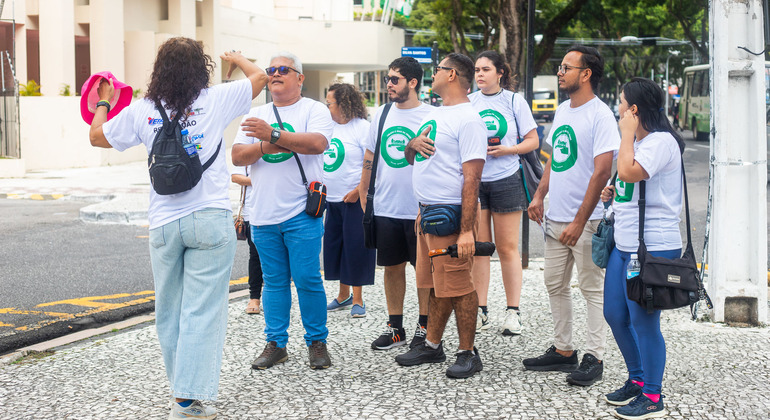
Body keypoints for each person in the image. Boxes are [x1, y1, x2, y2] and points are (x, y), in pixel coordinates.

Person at [88, 38, 268, 419]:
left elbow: (96, 137)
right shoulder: (215, 98)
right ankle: (187, 400)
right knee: (202, 310)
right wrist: (234, 58)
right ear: (199, 69)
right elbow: (261, 76)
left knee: (169, 311)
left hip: (165, 224)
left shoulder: (143, 110)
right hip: (209, 219)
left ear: (160, 70)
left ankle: (182, 394)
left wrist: (103, 101)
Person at [523, 45, 619, 387]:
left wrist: (581, 221)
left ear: (586, 73)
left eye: (566, 67)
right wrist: (538, 195)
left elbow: (602, 171)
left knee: (592, 289)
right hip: (555, 218)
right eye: (560, 67)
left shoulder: (601, 115)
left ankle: (595, 356)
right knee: (554, 284)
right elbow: (552, 158)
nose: (560, 72)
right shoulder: (563, 110)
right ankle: (564, 351)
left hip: (587, 221)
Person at [232, 52, 334, 370]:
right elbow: (237, 156)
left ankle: (317, 342)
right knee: (274, 282)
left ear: (300, 78)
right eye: (271, 70)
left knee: (307, 280)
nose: (275, 74)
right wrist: (265, 145)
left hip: (301, 213)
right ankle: (276, 343)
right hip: (262, 214)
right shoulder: (257, 113)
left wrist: (273, 134)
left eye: (283, 70)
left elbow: (317, 144)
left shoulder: (314, 110)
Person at [395, 53, 487, 379]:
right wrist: (411, 143)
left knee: (459, 284)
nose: (433, 74)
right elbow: (412, 156)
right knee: (438, 283)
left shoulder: (470, 120)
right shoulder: (437, 114)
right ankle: (432, 344)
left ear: (452, 76)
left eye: (438, 70)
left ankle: (468, 352)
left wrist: (466, 231)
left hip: (450, 215)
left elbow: (472, 178)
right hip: (427, 214)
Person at [600, 77, 685, 419]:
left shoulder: (661, 142)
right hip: (625, 244)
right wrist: (612, 197)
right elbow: (626, 183)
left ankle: (653, 396)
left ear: (633, 110)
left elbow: (630, 171)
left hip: (652, 249)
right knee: (615, 314)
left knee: (644, 323)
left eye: (621, 104)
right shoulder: (640, 141)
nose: (617, 111)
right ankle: (637, 379)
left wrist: (625, 135)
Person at [359, 57, 433, 350]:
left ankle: (424, 326)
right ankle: (395, 327)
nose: (388, 84)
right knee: (392, 267)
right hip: (386, 206)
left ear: (412, 83)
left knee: (424, 270)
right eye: (388, 78)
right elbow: (370, 155)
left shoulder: (431, 116)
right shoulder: (382, 113)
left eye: (395, 79)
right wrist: (365, 192)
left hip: (419, 208)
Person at [468, 50, 540, 335]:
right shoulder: (469, 102)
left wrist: (508, 149)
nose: (480, 75)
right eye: (476, 70)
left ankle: (513, 312)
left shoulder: (513, 100)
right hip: (475, 181)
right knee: (480, 248)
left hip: (507, 178)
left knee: (508, 248)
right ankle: (479, 309)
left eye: (486, 69)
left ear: (500, 73)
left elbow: (533, 140)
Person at [323, 83, 376, 318]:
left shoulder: (362, 128)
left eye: (329, 103)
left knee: (356, 248)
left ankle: (358, 298)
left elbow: (374, 164)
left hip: (355, 200)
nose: (327, 108)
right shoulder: (327, 127)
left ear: (343, 104)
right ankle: (342, 295)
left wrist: (358, 190)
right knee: (335, 247)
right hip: (330, 200)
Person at [231, 166, 263, 315]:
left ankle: (277, 295)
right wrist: (261, 181)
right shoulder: (247, 146)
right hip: (252, 212)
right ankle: (254, 297)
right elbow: (235, 177)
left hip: (281, 212)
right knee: (255, 256)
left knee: (281, 258)